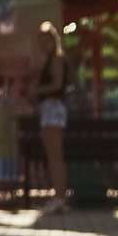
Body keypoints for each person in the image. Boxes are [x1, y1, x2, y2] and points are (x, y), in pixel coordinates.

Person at [31, 21, 72, 215]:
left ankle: (60, 198)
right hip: (48, 108)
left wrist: (37, 91)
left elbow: (56, 84)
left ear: (53, 40)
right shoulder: (48, 60)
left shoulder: (56, 60)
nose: (43, 45)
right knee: (52, 156)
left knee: (55, 156)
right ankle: (58, 196)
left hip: (54, 107)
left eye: (46, 41)